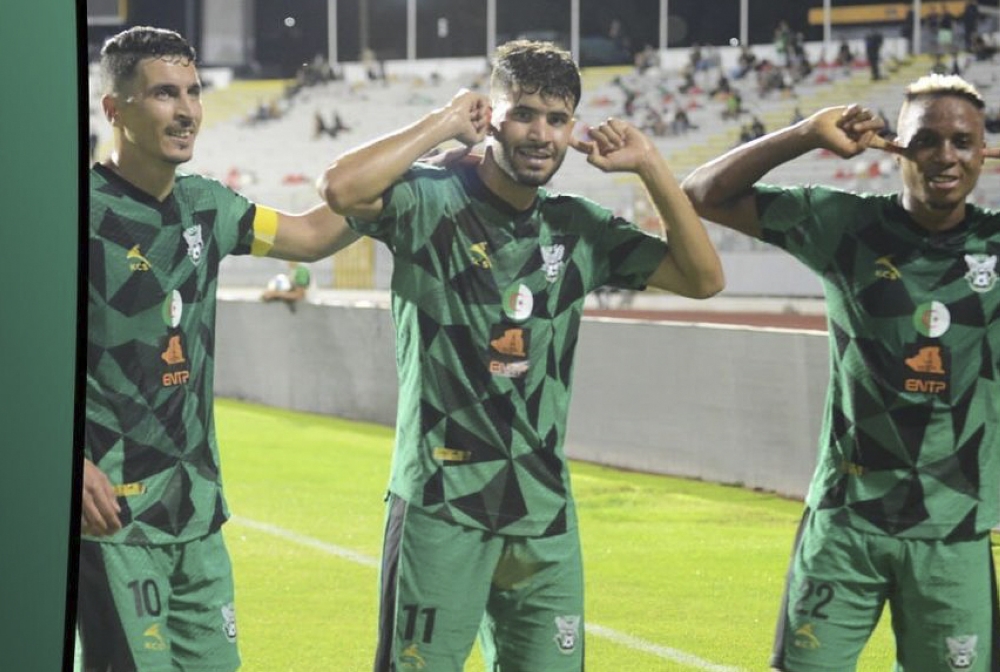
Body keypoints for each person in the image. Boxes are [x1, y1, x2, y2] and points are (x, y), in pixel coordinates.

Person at [319, 39, 724, 672]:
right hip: (441, 505)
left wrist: (651, 167)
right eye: (525, 113)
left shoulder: (578, 227)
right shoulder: (428, 200)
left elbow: (703, 279)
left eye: (557, 119)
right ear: (493, 116)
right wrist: (443, 123)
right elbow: (340, 188)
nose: (542, 134)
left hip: (543, 513)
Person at [681, 74, 1000, 671]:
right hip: (847, 522)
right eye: (926, 140)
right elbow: (700, 192)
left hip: (954, 532)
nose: (945, 156)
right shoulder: (844, 226)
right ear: (894, 147)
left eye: (963, 142)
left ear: (985, 152)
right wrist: (806, 134)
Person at [80, 26, 358, 672]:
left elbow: (314, 235)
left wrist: (428, 158)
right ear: (115, 110)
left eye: (194, 92)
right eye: (163, 94)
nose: (186, 111)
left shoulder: (211, 209)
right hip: (115, 519)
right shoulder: (75, 217)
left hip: (197, 514)